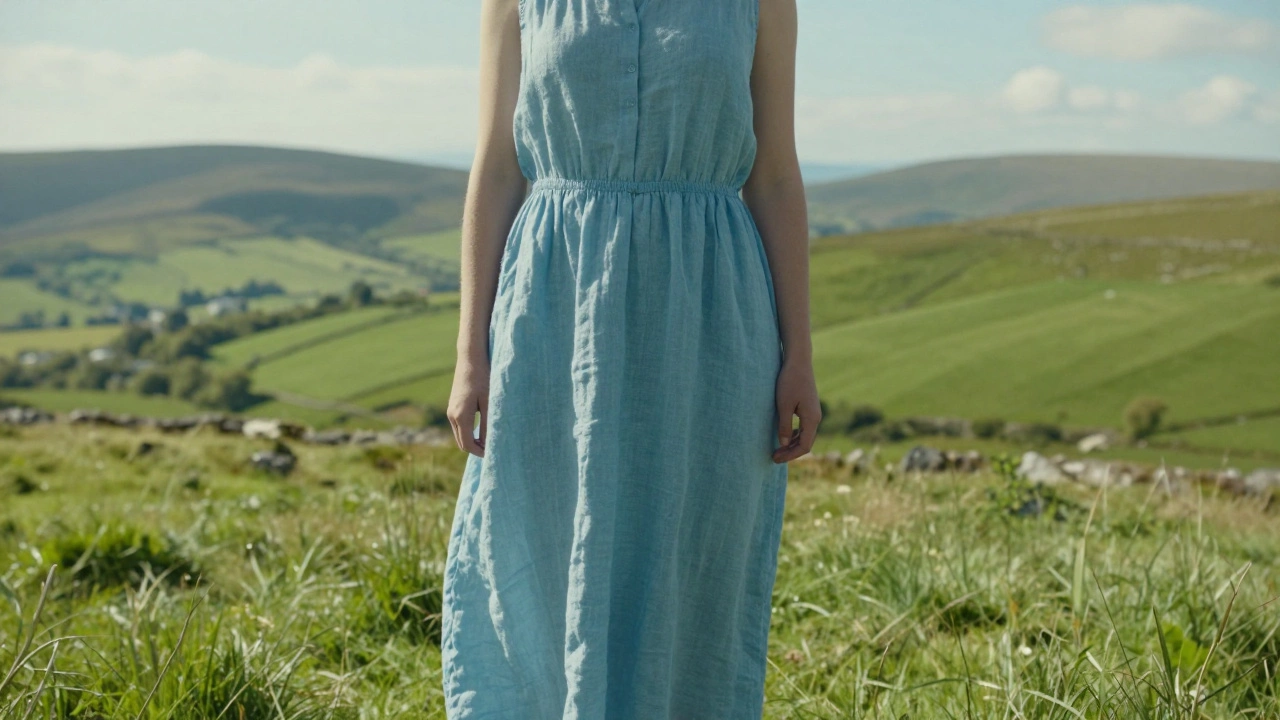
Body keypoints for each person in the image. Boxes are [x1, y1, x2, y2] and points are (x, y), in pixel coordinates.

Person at [442, 0, 819, 716]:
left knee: (688, 560)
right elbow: (496, 169)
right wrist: (470, 352)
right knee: (538, 541)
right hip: (552, 308)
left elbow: (773, 176)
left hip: (710, 310)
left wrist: (798, 352)